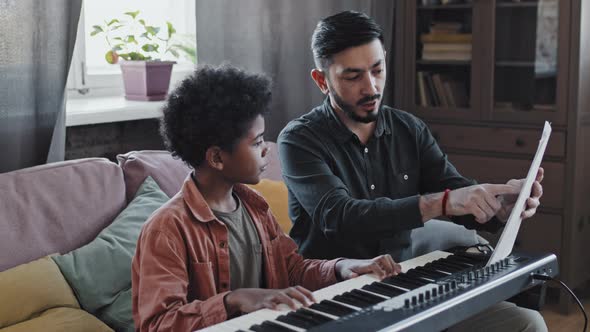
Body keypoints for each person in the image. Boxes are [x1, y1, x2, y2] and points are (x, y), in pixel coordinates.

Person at [277, 11, 547, 332]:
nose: (371, 87)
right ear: (322, 80)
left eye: (378, 70)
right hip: (338, 298)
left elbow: (458, 192)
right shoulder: (299, 139)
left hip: (408, 287)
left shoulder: (409, 129)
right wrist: (442, 203)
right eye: (353, 77)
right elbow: (341, 216)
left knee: (526, 323)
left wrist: (502, 205)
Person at [131, 64, 401, 331]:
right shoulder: (166, 229)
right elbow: (157, 324)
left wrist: (343, 267)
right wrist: (232, 300)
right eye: (257, 142)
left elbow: (292, 271)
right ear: (216, 157)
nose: (266, 151)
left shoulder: (255, 207)